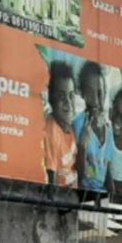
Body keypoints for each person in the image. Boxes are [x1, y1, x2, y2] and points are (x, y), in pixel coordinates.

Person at [74, 61, 113, 193]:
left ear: (105, 93)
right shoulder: (78, 124)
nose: (96, 100)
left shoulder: (109, 130)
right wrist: (82, 147)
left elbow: (108, 173)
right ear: (83, 94)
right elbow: (78, 177)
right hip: (84, 194)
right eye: (90, 93)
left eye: (100, 93)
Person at [42, 60, 79, 188]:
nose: (68, 102)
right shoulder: (51, 130)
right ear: (51, 99)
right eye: (61, 97)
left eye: (71, 95)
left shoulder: (71, 126)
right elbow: (50, 175)